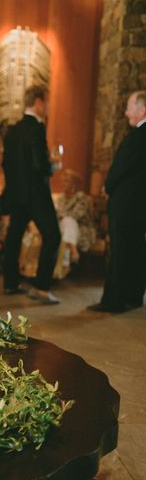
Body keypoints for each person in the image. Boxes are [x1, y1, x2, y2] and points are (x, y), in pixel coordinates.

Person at [1, 84, 61, 304]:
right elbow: (40, 165)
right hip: (36, 195)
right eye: (47, 101)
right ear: (38, 102)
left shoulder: (12, 130)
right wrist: (53, 166)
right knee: (53, 236)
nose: (48, 106)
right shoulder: (37, 127)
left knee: (14, 237)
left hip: (16, 194)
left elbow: (5, 164)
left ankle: (10, 283)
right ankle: (42, 288)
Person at [88, 91, 146, 313]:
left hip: (126, 204)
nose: (126, 112)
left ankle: (114, 301)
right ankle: (133, 296)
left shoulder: (138, 135)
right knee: (136, 249)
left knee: (120, 250)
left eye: (130, 107)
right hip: (139, 205)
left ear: (142, 110)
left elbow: (121, 168)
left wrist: (107, 186)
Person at [53, 169, 95, 278]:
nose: (63, 183)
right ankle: (73, 251)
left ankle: (67, 260)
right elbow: (57, 215)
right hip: (64, 228)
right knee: (65, 223)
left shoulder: (81, 197)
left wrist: (63, 215)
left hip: (81, 230)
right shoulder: (61, 198)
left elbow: (76, 215)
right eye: (62, 181)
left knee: (68, 221)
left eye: (66, 181)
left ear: (73, 183)